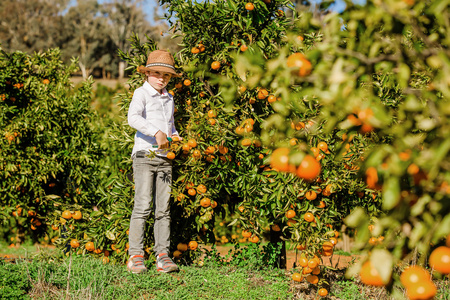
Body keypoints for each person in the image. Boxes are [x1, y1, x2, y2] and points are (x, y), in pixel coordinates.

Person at [126, 49, 182, 274]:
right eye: (157, 73)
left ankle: (162, 256)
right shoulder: (142, 93)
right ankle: (136, 256)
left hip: (164, 158)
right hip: (144, 156)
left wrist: (174, 135)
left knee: (163, 209)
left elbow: (170, 125)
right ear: (147, 73)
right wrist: (156, 132)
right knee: (142, 206)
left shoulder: (169, 98)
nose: (162, 78)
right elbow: (133, 118)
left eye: (166, 76)